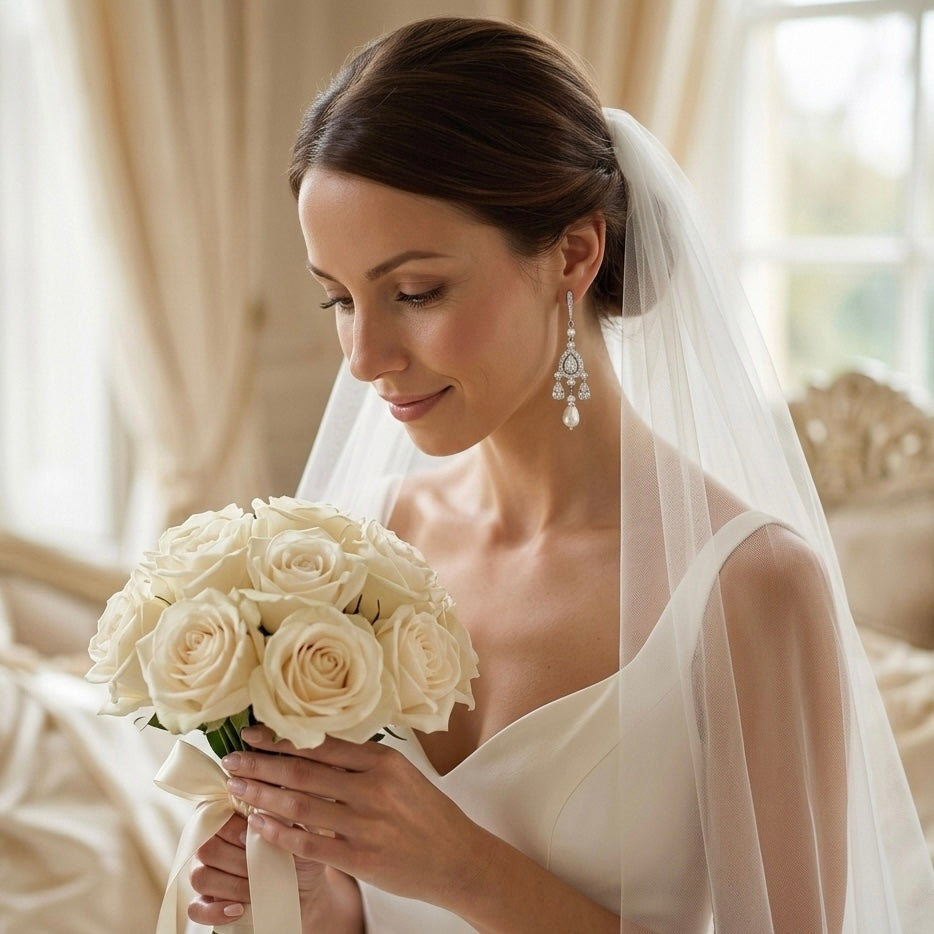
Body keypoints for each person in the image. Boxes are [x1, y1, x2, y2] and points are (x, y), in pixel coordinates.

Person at [186, 17, 934, 933]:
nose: (365, 357)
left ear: (575, 254)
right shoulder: (353, 554)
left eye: (415, 292)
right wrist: (317, 900)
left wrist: (461, 867)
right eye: (339, 298)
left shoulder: (749, 588)